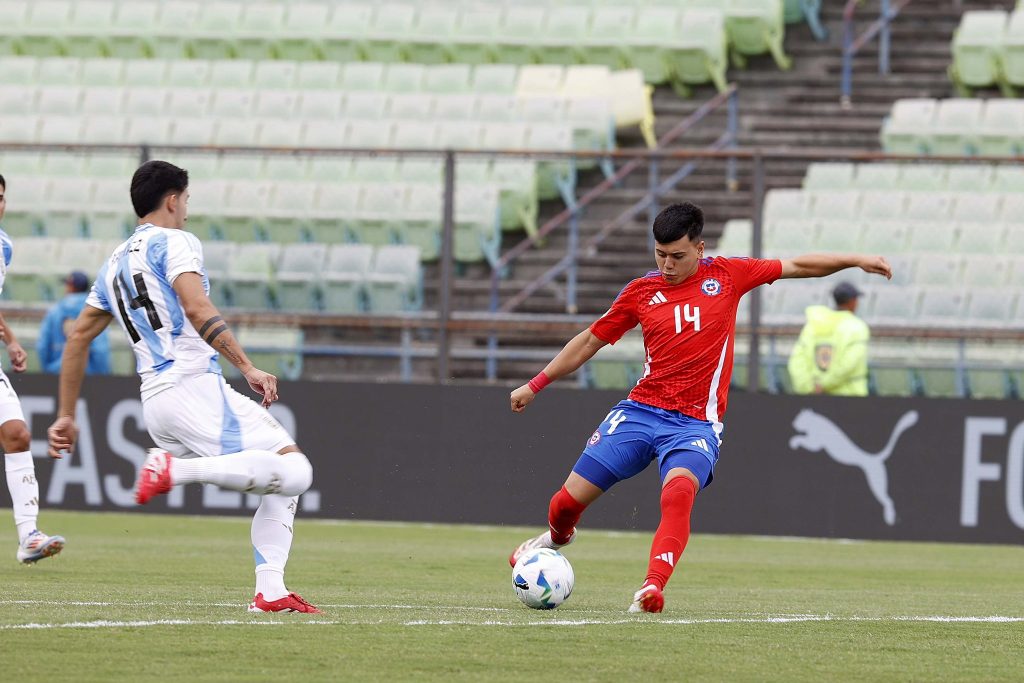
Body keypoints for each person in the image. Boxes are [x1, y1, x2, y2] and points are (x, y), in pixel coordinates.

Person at [507, 202, 892, 613]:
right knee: (564, 504)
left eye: (677, 255)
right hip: (640, 411)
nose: (667, 265)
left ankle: (652, 587)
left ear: (700, 248)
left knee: (678, 492)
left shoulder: (728, 275)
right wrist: (536, 383)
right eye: (660, 254)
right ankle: (559, 537)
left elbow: (798, 264)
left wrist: (857, 260)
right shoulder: (640, 292)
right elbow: (589, 341)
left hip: (693, 424)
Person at [46, 161, 319, 613]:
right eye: (186, 200)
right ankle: (172, 471)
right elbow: (195, 306)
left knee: (284, 473)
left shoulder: (112, 263)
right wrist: (247, 365)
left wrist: (66, 415)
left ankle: (270, 591)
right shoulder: (175, 242)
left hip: (157, 400)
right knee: (299, 474)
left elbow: (77, 337)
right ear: (172, 199)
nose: (187, 210)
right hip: (192, 387)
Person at [0, 173, 67, 563]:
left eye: (2, 197)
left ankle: (29, 536)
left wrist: (10, 340)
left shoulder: (4, 247)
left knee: (18, 434)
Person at [787, 281, 870, 396]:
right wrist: (825, 385)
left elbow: (797, 360)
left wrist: (808, 387)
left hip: (813, 396)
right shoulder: (857, 327)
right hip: (850, 399)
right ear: (852, 301)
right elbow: (849, 363)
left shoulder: (813, 325)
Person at [37, 271, 112, 376]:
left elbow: (43, 346)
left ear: (70, 287)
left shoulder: (54, 312)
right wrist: (102, 376)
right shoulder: (95, 311)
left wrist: (47, 370)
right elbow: (100, 350)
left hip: (57, 374)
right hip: (90, 378)